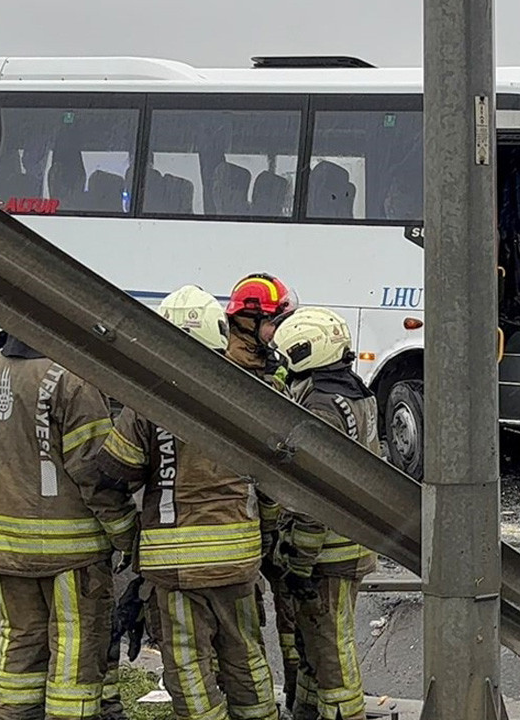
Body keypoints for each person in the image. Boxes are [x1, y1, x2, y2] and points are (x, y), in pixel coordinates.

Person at [97, 285, 278, 720]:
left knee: (188, 666)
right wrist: (265, 533)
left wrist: (129, 541)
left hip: (175, 566)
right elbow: (276, 488)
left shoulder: (149, 401)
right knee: (246, 655)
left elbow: (114, 474)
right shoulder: (251, 394)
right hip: (238, 560)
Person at [0, 332, 133, 720]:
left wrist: (2, 507)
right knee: (75, 648)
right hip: (71, 551)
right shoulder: (73, 378)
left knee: (21, 645)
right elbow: (95, 473)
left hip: (3, 546)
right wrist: (126, 533)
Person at [270, 307, 379, 720]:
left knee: (332, 647)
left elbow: (315, 497)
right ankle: (311, 710)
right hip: (351, 544)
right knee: (319, 642)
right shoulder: (356, 391)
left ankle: (344, 713)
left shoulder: (318, 406)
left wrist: (298, 561)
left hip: (326, 552)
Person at [225, 272, 299, 708]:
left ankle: (291, 700)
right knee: (244, 634)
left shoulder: (272, 375)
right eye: (274, 321)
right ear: (249, 323)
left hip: (271, 526)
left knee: (291, 626)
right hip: (245, 528)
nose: (278, 332)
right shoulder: (232, 381)